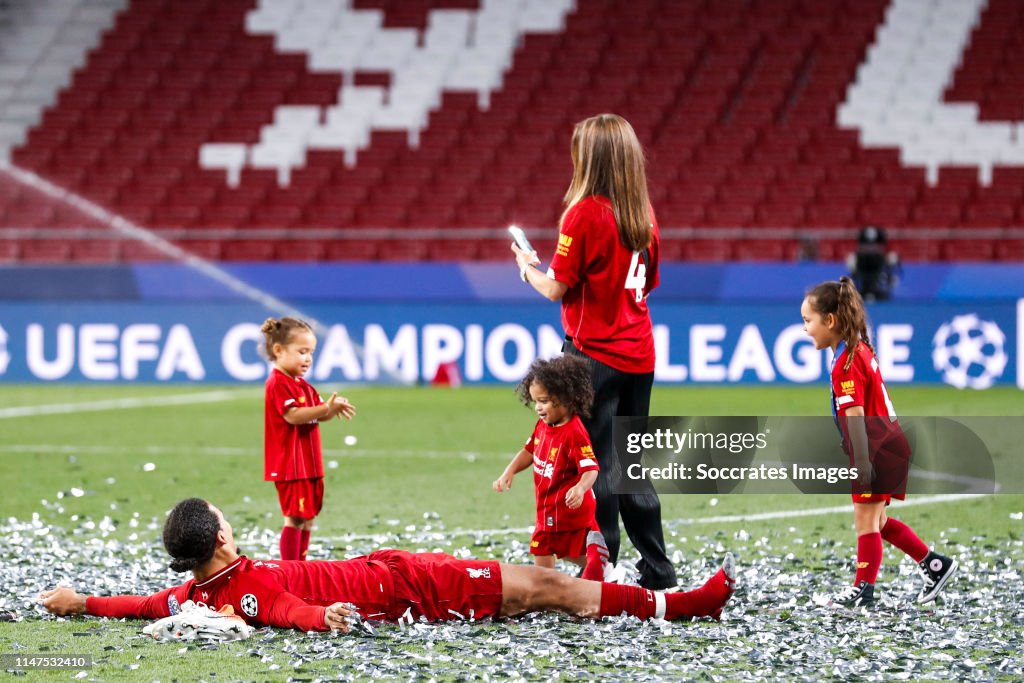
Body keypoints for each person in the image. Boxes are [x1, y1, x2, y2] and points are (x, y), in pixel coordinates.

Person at [40, 498, 737, 630]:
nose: (232, 522)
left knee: (540, 588)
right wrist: (325, 615)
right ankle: (679, 604)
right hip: (406, 586)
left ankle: (655, 600)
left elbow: (140, 604)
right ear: (220, 540)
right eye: (224, 520)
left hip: (392, 572)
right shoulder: (245, 584)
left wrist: (80, 602)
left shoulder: (197, 591)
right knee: (548, 587)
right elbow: (283, 608)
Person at [511, 113, 675, 590]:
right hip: (639, 354)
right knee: (630, 463)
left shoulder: (584, 213)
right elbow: (648, 284)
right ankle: (658, 568)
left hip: (592, 355)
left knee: (594, 460)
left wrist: (526, 267)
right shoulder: (643, 215)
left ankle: (599, 569)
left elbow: (556, 289)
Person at [801, 277, 957, 607]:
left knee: (865, 521)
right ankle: (934, 564)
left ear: (830, 321)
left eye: (808, 321)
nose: (805, 329)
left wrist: (860, 460)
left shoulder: (845, 363)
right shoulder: (857, 349)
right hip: (890, 444)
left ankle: (863, 590)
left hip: (877, 449)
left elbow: (855, 413)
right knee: (879, 522)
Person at [493, 355, 609, 580]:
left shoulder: (575, 432)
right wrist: (509, 471)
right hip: (547, 507)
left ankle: (600, 569)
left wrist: (580, 489)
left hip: (568, 510)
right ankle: (598, 569)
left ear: (566, 398)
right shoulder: (543, 425)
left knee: (552, 548)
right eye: (535, 401)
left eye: (543, 401)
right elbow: (529, 451)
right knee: (547, 548)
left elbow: (591, 468)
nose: (537, 407)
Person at [261, 317, 356, 561]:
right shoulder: (278, 383)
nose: (308, 358)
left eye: (311, 352)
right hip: (291, 465)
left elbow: (316, 415)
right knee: (295, 517)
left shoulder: (302, 385)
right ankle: (290, 570)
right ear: (279, 350)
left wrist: (330, 410)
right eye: (302, 351)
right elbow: (293, 416)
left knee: (308, 517)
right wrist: (325, 408)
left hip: (309, 464)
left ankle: (301, 567)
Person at [847, 225, 901, 301]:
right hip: (862, 292)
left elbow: (894, 276)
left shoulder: (887, 261)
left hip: (881, 294)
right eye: (867, 246)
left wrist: (891, 270)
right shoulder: (855, 260)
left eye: (875, 246)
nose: (871, 249)